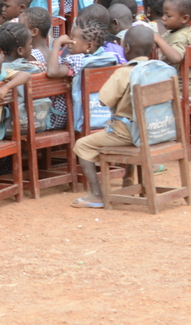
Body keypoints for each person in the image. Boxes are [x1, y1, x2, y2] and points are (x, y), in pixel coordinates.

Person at [69, 25, 161, 208]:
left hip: (129, 134)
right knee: (131, 126)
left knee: (82, 145)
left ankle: (96, 194)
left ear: (126, 48)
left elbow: (104, 100)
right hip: (158, 130)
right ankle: (128, 178)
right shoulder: (160, 69)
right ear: (152, 49)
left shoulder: (125, 72)